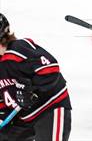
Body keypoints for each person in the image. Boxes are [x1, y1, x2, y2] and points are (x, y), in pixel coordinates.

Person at [0, 13, 72, 141]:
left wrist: (31, 90)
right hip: (23, 117)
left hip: (49, 108)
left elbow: (51, 68)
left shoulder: (18, 49)